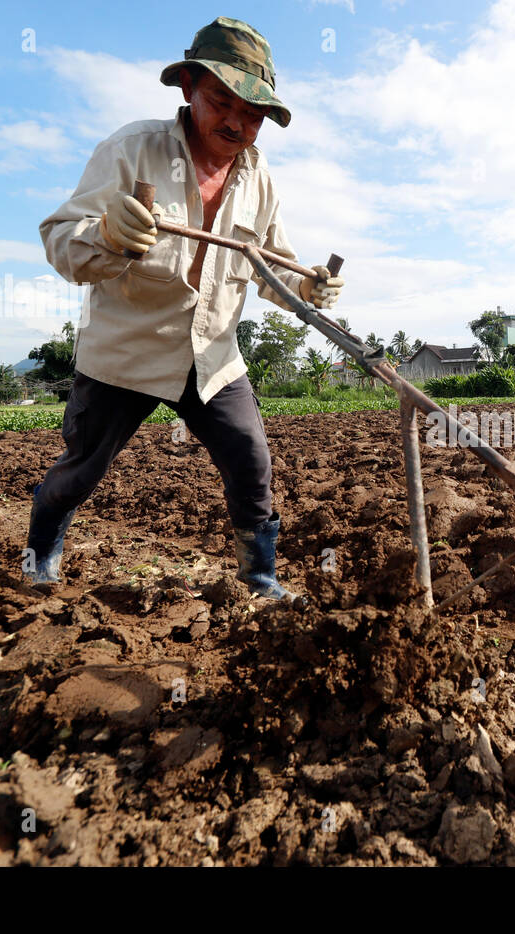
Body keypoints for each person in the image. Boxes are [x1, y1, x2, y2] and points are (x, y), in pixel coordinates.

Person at [29, 16, 343, 601]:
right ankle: (39, 554)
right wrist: (106, 233)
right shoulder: (131, 150)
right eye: (222, 101)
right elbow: (60, 241)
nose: (237, 122)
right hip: (125, 354)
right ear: (188, 89)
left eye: (253, 114)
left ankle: (261, 579)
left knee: (251, 465)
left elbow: (269, 265)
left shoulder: (259, 178)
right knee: (81, 471)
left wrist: (306, 290)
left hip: (213, 355)